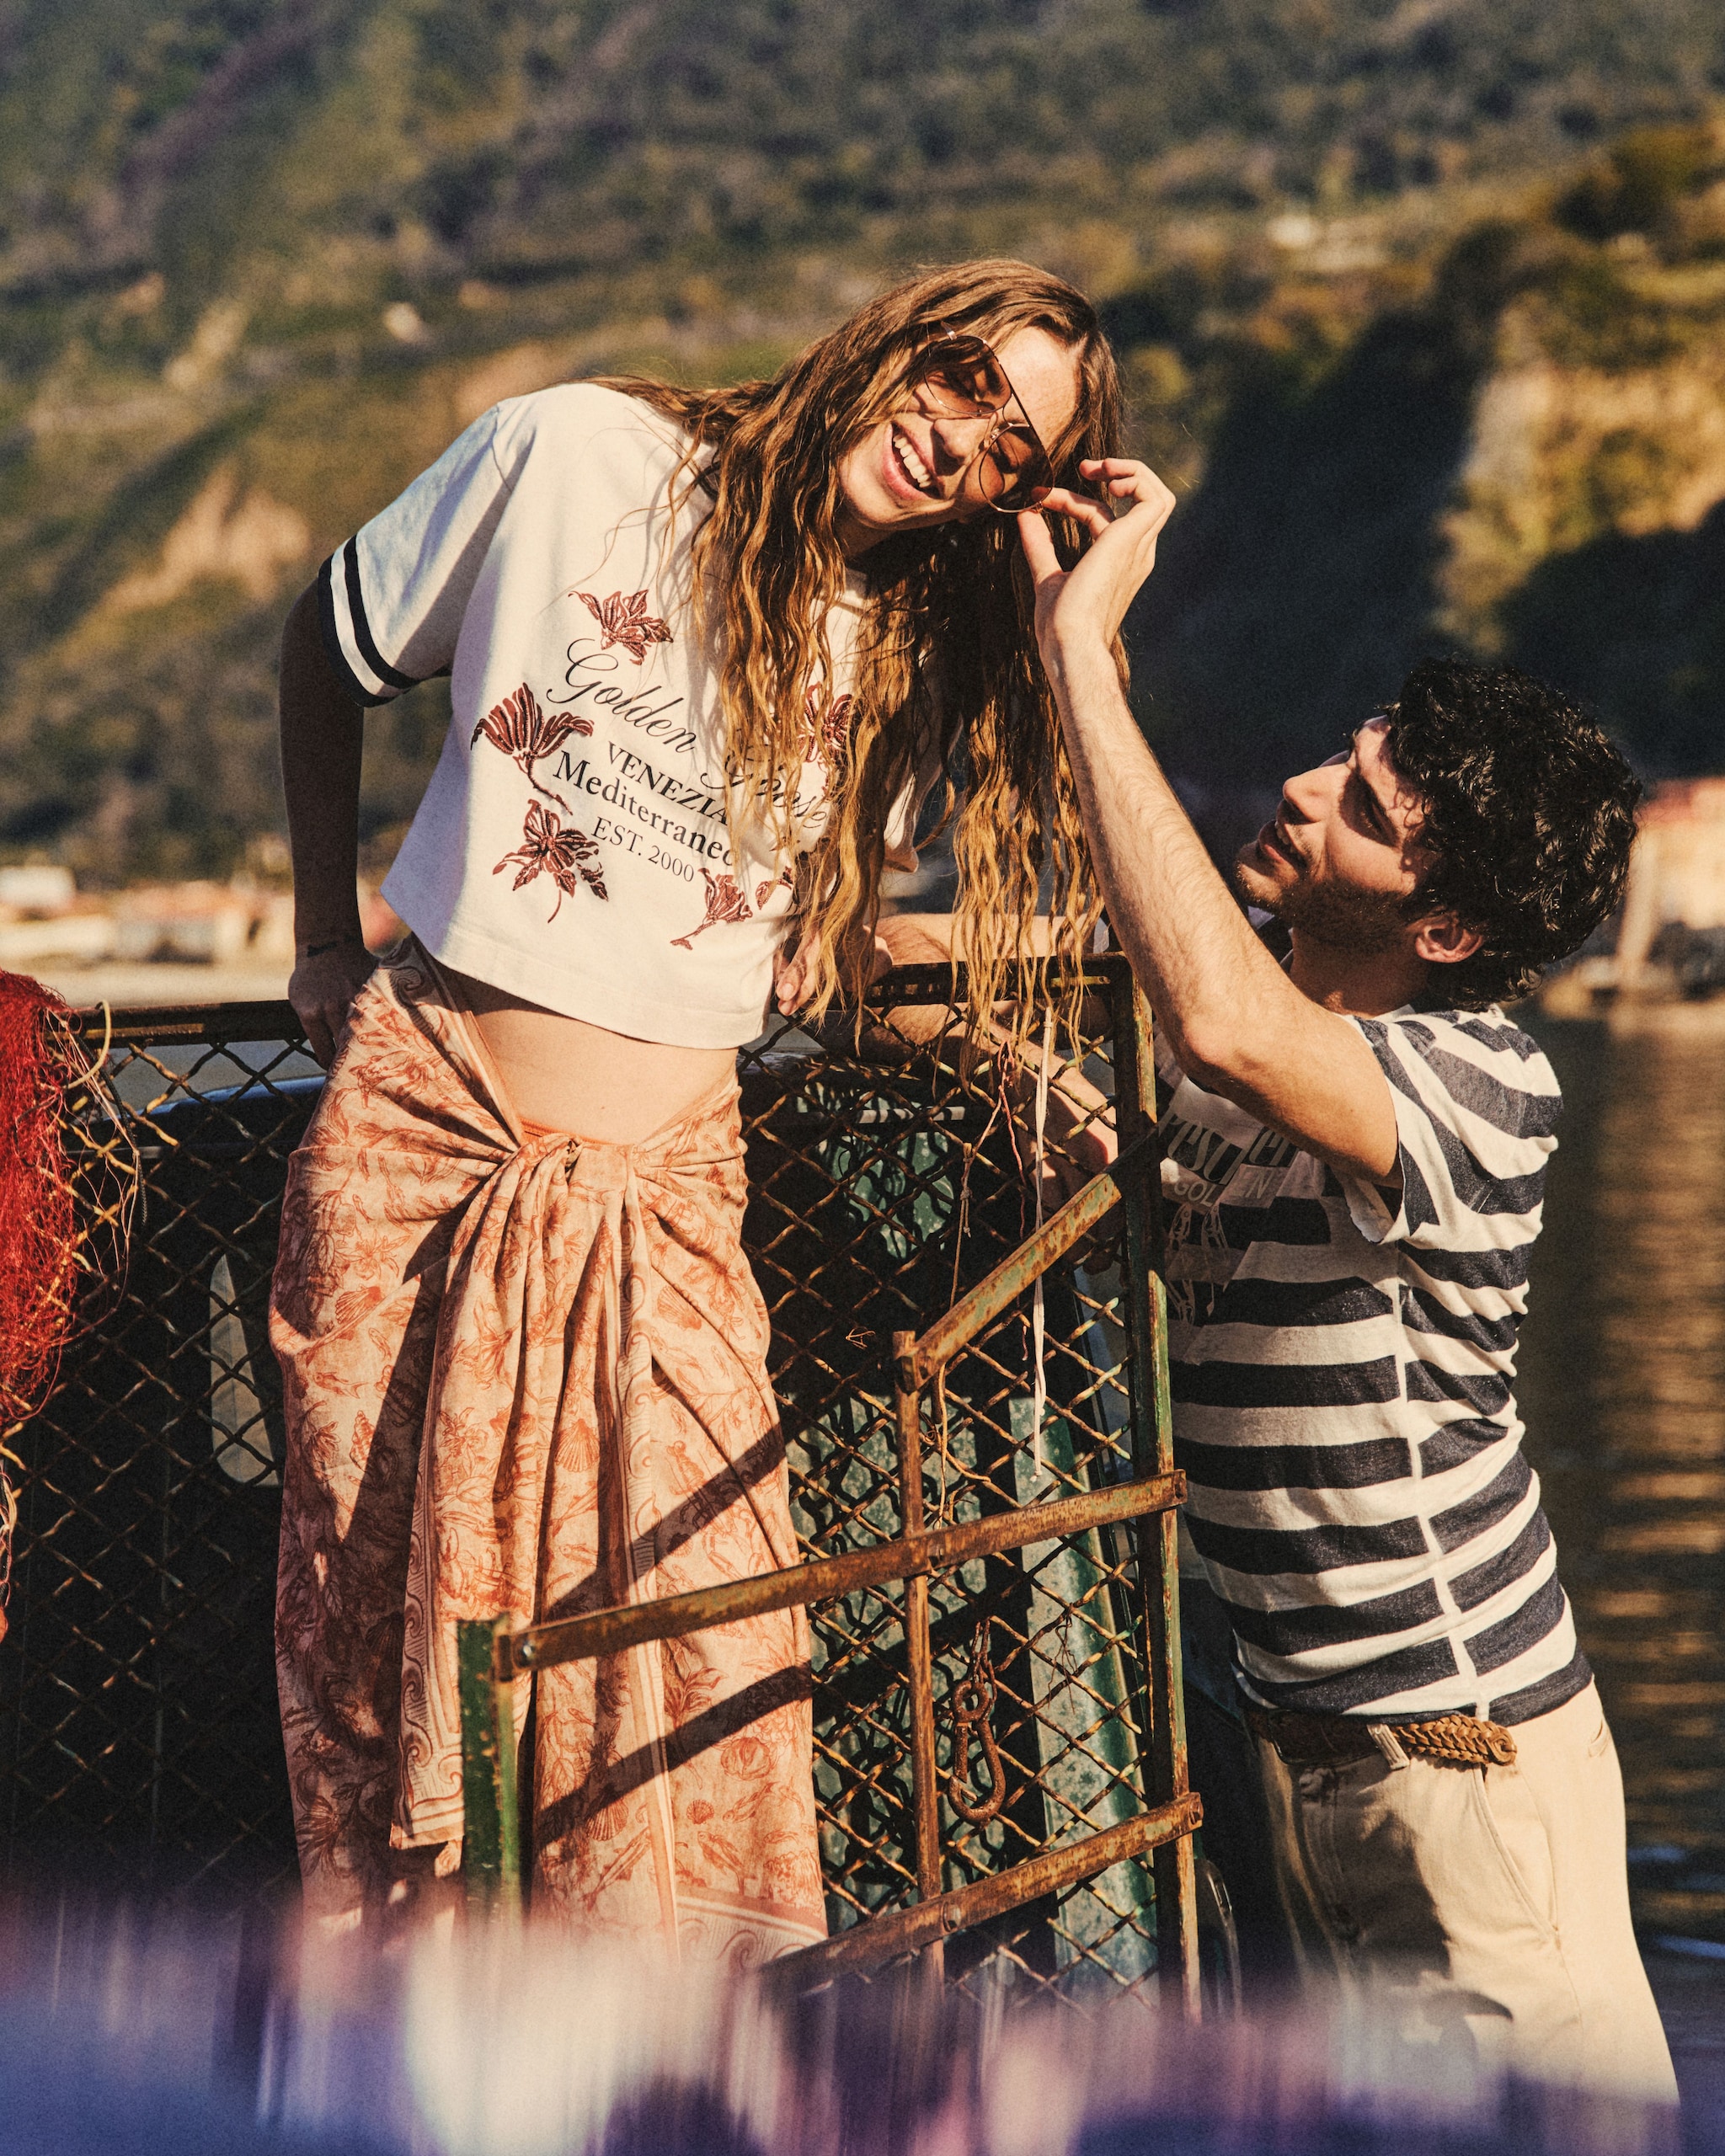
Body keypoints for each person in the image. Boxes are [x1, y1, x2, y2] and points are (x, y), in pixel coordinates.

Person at [268, 260, 1121, 1955]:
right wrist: (311, 926)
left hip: (668, 1203)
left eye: (1013, 449)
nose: (958, 441)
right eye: (958, 378)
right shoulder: (574, 452)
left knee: (708, 1673)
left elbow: (804, 934)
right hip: (424, 1155)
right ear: (895, 332)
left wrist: (981, 1029)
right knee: (380, 1661)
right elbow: (327, 638)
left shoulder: (892, 654)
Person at [972, 458, 1674, 2100]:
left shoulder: (1476, 1083)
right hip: (1306, 1756)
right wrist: (1060, 621)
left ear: (1443, 928)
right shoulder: (1280, 1039)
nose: (1298, 789)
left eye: (1360, 806)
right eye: (1343, 759)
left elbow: (1212, 1010)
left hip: (1464, 1763)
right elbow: (1164, 932)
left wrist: (1082, 650)